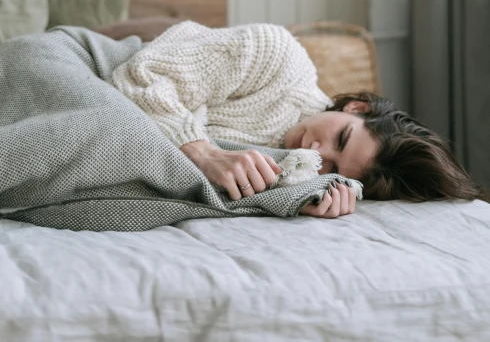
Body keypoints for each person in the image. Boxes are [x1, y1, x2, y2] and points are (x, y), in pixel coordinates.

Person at [108, 20, 489, 220]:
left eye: (336, 167)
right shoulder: (276, 56)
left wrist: (295, 198)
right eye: (341, 138)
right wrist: (201, 151)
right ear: (356, 107)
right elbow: (142, 75)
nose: (316, 152)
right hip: (96, 69)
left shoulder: (306, 173)